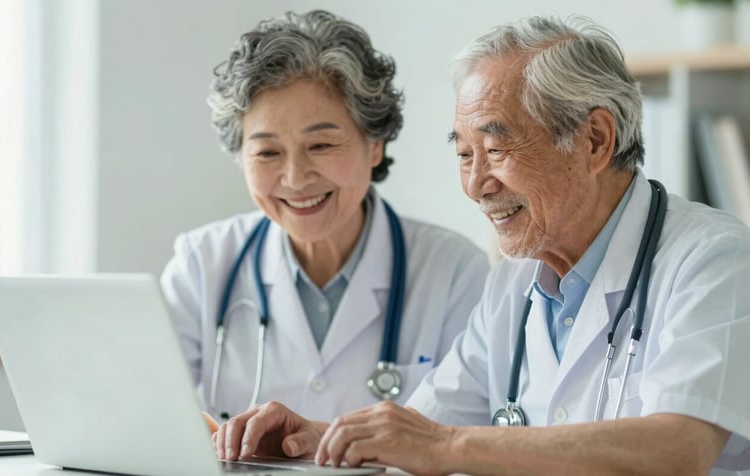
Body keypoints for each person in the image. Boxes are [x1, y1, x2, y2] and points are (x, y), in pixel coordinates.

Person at [211, 15, 750, 475]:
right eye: (464, 155)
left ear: (595, 140)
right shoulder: (514, 283)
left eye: (495, 149)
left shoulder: (712, 261)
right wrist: (313, 437)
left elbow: (680, 448)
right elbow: (419, 431)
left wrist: (448, 447)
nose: (475, 185)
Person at [159, 9, 489, 426]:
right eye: (267, 152)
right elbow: (149, 417)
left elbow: (466, 447)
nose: (296, 178)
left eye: (321, 145)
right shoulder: (201, 266)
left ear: (375, 145)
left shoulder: (455, 272)